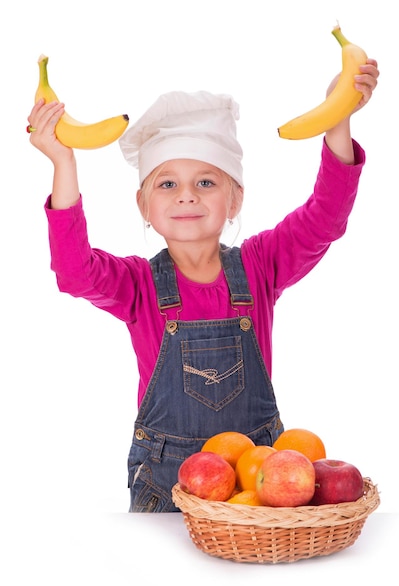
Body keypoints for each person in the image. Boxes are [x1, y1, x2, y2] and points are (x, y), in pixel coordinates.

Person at [27, 59, 379, 512]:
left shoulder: (261, 266)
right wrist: (62, 161)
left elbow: (324, 220)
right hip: (167, 484)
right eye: (167, 183)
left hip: (259, 482)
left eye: (206, 182)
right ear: (143, 205)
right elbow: (74, 270)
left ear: (235, 200)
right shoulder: (137, 284)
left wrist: (338, 121)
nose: (186, 195)